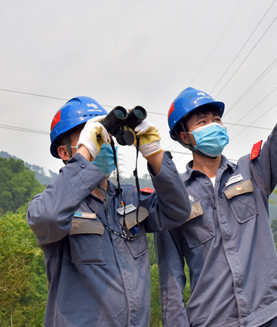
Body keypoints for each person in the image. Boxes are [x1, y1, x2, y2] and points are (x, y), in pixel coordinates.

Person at [155, 43, 277, 327]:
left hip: (267, 315)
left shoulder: (253, 171)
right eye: (203, 121)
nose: (214, 125)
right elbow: (171, 277)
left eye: (217, 119)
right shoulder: (173, 198)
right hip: (212, 320)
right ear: (185, 137)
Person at [26, 96, 191, 327]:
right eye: (92, 136)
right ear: (65, 153)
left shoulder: (130, 199)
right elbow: (48, 218)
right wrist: (85, 154)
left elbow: (178, 211)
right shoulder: (52, 205)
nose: (102, 144)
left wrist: (154, 153)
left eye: (104, 135)